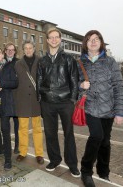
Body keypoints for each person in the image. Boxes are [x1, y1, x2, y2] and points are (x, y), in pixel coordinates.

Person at [78, 30, 123, 187]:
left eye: (96, 39)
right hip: (90, 107)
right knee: (97, 136)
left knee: (105, 141)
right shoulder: (80, 63)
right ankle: (86, 171)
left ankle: (104, 173)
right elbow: (73, 87)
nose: (93, 41)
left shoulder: (110, 62)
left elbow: (118, 87)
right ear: (85, 43)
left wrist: (119, 112)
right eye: (90, 39)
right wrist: (80, 86)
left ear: (101, 42)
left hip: (108, 109)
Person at [36, 28, 80, 177]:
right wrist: (40, 100)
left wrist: (73, 100)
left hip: (66, 102)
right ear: (47, 40)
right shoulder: (42, 60)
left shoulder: (69, 59)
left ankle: (72, 164)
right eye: (51, 37)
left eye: (56, 37)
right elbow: (39, 81)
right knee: (50, 134)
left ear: (60, 40)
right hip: (47, 103)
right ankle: (54, 159)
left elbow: (74, 80)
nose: (54, 40)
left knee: (69, 134)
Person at [14, 40, 44, 164]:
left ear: (34, 49)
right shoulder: (18, 64)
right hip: (22, 100)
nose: (28, 50)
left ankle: (39, 154)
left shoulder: (41, 62)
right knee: (23, 128)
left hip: (36, 100)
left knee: (37, 128)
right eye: (26, 48)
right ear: (23, 50)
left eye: (30, 48)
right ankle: (23, 152)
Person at [4, 42, 20, 154]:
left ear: (15, 51)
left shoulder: (19, 63)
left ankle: (17, 145)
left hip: (16, 97)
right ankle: (7, 144)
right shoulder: (0, 62)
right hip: (4, 96)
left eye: (12, 49)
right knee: (5, 124)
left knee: (17, 124)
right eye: (8, 49)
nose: (10, 51)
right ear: (5, 51)